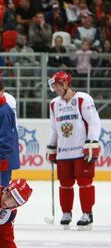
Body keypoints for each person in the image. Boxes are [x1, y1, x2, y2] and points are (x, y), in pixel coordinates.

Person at [46, 71, 101, 230]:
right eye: (54, 86)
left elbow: (94, 122)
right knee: (65, 184)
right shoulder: (54, 104)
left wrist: (92, 143)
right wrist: (51, 147)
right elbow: (54, 129)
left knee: (85, 183)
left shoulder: (82, 99)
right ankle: (66, 212)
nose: (55, 88)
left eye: (57, 85)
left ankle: (87, 213)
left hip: (81, 151)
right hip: (64, 152)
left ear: (65, 84)